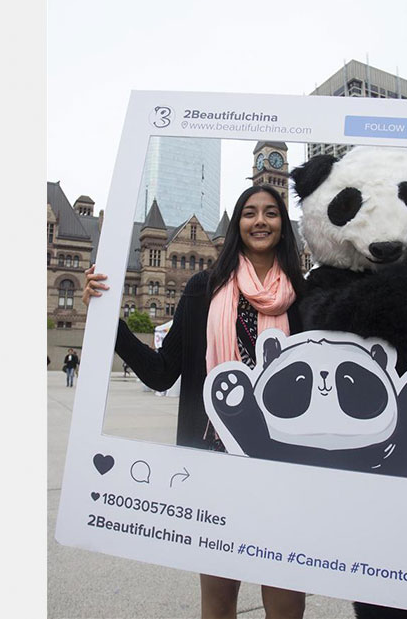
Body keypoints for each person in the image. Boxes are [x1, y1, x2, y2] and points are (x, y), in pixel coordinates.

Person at [82, 185, 307, 619]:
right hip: (211, 462)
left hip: (284, 469)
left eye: (271, 213)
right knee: (219, 601)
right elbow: (161, 372)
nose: (260, 221)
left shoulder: (303, 295)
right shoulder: (204, 289)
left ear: (284, 227)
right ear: (238, 225)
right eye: (249, 213)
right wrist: (109, 319)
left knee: (286, 602)